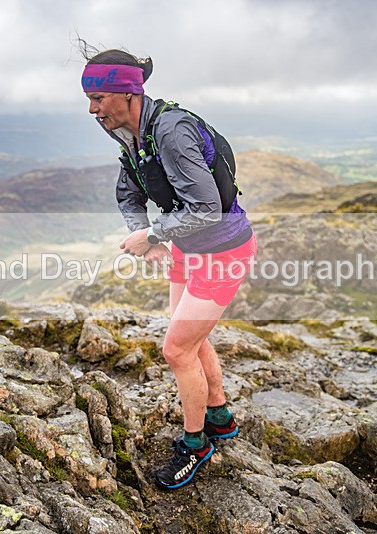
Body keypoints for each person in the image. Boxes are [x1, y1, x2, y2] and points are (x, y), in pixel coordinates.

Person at [80, 45, 256, 490]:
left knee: (176, 350)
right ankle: (219, 417)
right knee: (189, 338)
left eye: (98, 98)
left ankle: (196, 445)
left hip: (221, 251)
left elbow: (208, 208)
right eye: (88, 98)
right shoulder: (128, 133)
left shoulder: (172, 131)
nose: (92, 109)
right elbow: (129, 190)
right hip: (187, 248)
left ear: (127, 92)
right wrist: (147, 236)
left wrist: (153, 235)